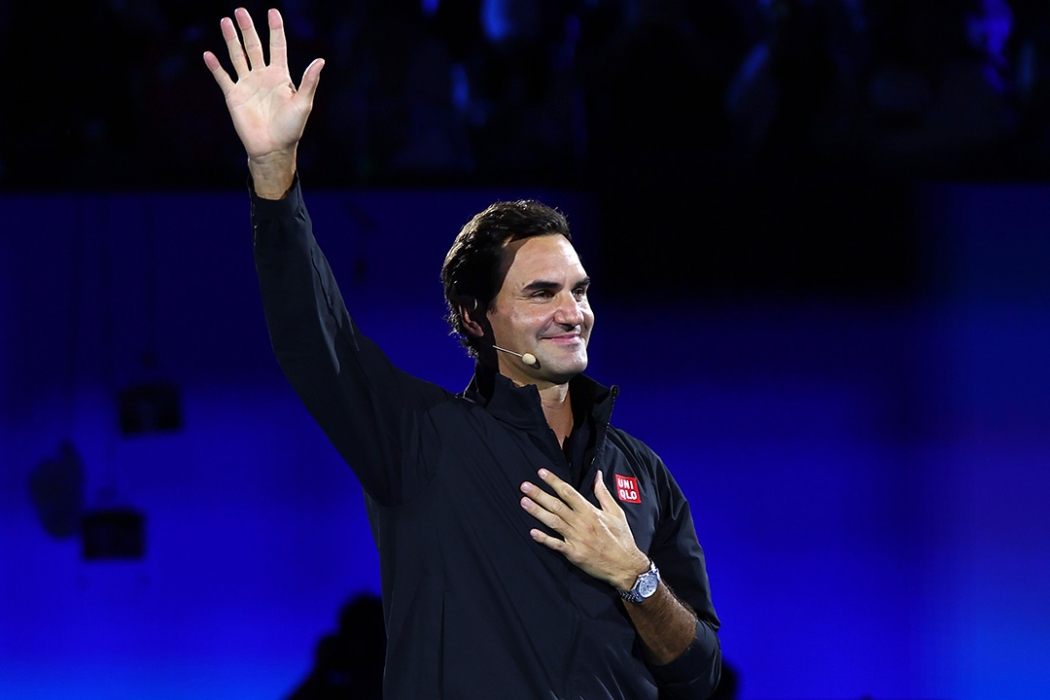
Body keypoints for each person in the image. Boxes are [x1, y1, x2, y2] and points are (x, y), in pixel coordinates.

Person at [204, 8, 721, 699]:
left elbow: (696, 670)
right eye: (542, 294)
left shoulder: (642, 475)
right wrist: (273, 171)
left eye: (579, 290)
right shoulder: (420, 440)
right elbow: (315, 337)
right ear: (477, 319)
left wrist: (633, 573)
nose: (574, 312)